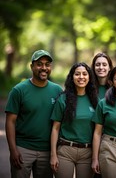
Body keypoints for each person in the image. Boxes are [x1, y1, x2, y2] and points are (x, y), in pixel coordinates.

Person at [5, 49, 63, 178]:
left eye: (47, 64)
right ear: (32, 66)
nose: (44, 68)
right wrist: (13, 150)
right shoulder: (19, 90)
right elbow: (10, 121)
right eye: (39, 64)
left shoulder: (57, 90)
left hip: (47, 151)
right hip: (23, 149)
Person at [50, 62, 98, 178]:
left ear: (89, 77)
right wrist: (53, 154)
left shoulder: (95, 101)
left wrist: (95, 157)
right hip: (66, 151)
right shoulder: (63, 99)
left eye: (84, 74)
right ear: (72, 77)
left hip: (88, 152)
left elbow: (98, 131)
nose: (81, 77)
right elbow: (55, 128)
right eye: (77, 74)